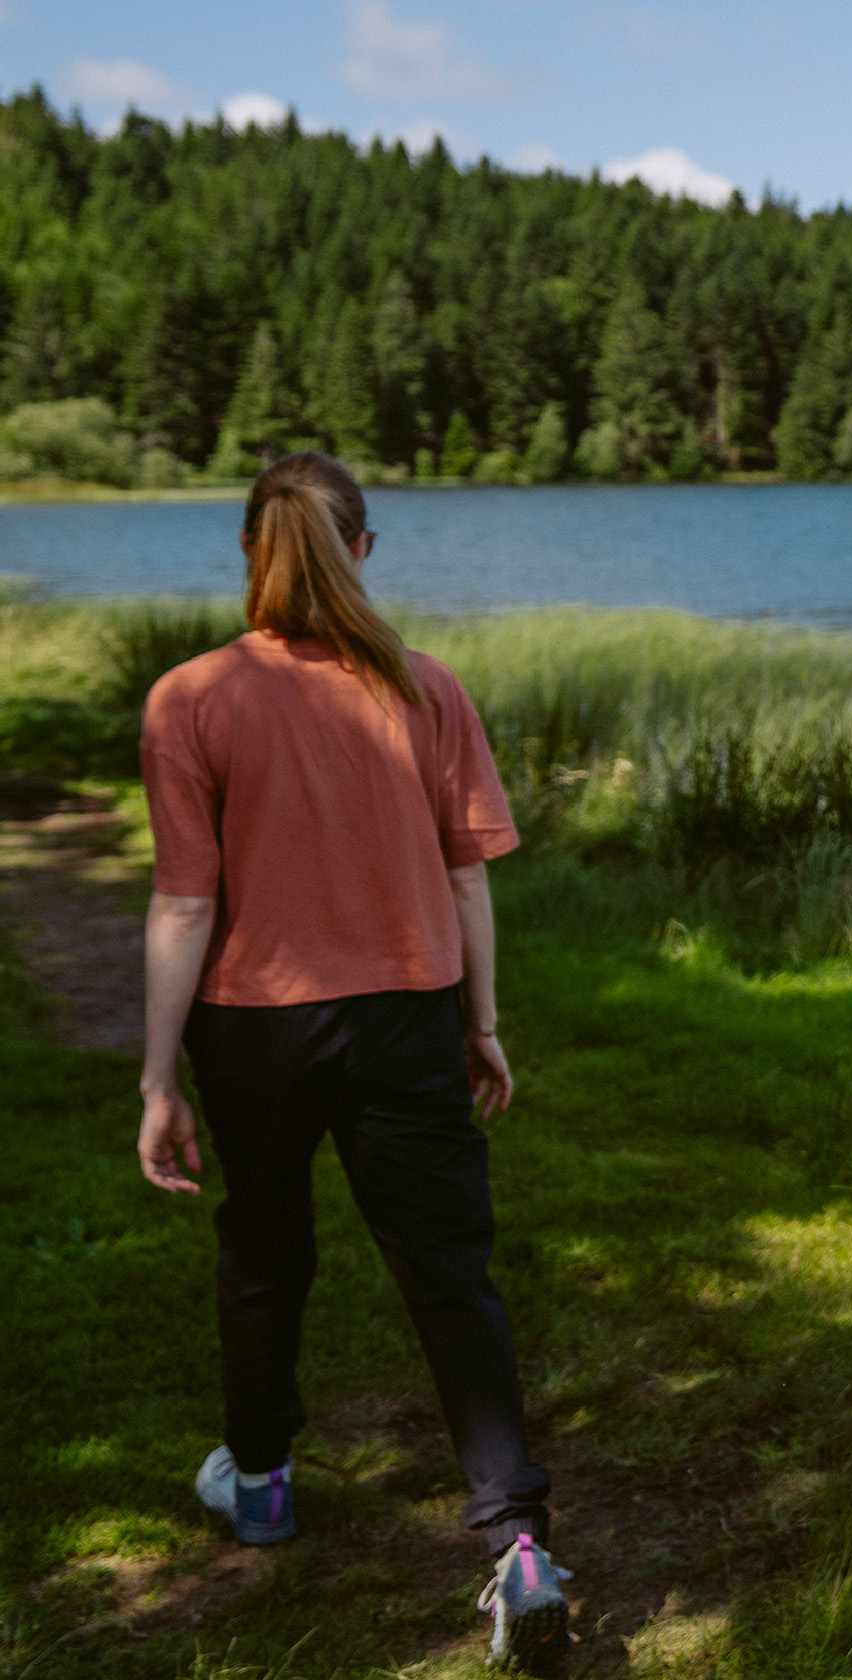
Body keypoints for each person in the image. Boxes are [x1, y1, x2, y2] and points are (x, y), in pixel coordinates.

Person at [136, 450, 575, 1674]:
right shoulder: (424, 687)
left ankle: (261, 1482)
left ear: (248, 549)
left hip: (255, 1028)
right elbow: (466, 879)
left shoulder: (189, 697)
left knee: (264, 1249)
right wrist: (481, 1023)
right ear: (363, 548)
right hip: (405, 1019)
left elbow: (183, 904)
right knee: (449, 1274)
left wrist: (158, 1076)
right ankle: (518, 1544)